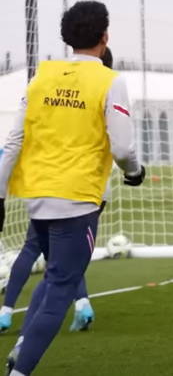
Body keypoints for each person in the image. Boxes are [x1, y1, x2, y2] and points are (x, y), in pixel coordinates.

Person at [0, 1, 145, 376]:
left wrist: (0, 195)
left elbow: (13, 141)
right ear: (104, 36)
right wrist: (135, 171)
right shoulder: (110, 81)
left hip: (36, 196)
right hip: (77, 199)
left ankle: (21, 344)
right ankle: (20, 370)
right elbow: (124, 148)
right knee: (62, 288)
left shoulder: (41, 78)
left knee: (53, 278)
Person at [0, 47, 116, 335]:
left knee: (34, 247)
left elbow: (21, 138)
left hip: (62, 185)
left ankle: (7, 313)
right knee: (69, 255)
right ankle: (82, 304)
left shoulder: (66, 92)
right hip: (96, 189)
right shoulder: (109, 90)